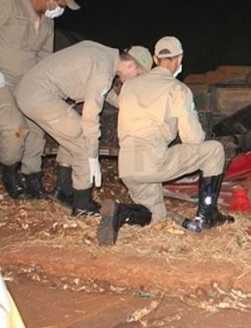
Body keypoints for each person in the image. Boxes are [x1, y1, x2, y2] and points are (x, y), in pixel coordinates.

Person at [97, 36, 234, 246]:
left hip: (128, 167)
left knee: (156, 215)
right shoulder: (178, 89)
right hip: (153, 161)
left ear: (155, 58)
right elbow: (193, 139)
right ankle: (208, 214)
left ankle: (120, 211)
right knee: (214, 150)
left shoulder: (130, 86)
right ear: (180, 58)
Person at [15, 40, 153, 216]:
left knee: (71, 133)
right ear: (131, 64)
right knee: (82, 142)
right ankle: (82, 205)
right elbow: (90, 116)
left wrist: (122, 104)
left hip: (29, 89)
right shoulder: (104, 71)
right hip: (40, 96)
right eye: (139, 74)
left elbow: (101, 89)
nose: (136, 79)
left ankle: (62, 191)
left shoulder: (101, 52)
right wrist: (93, 155)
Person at [0, 0, 80, 199]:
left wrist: (48, 86)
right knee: (13, 126)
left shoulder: (47, 21)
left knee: (36, 127)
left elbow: (44, 57)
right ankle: (9, 173)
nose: (61, 11)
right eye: (61, 5)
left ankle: (32, 179)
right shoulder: (7, 3)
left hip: (26, 81)